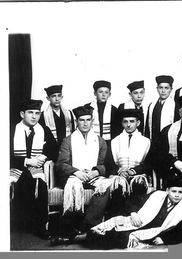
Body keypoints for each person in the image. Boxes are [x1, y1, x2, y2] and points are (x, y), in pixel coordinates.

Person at [86, 177, 182, 249]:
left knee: (120, 239)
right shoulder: (157, 196)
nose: (177, 195)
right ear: (167, 191)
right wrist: (133, 212)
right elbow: (134, 200)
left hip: (150, 233)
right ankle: (92, 235)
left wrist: (164, 239)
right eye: (174, 191)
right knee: (111, 229)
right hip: (137, 223)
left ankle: (94, 239)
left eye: (180, 192)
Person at [54, 105, 110, 237]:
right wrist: (76, 172)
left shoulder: (100, 141)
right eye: (81, 120)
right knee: (74, 186)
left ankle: (88, 224)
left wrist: (96, 172)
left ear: (92, 121)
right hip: (74, 176)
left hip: (92, 175)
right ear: (77, 121)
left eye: (88, 120)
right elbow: (61, 164)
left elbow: (103, 164)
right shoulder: (68, 141)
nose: (85, 123)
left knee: (105, 185)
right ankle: (72, 225)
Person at [10, 99, 58, 239]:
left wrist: (42, 157)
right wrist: (27, 161)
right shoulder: (12, 129)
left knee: (40, 185)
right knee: (15, 182)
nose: (34, 116)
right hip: (15, 167)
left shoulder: (43, 130)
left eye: (37, 113)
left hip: (36, 169)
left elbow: (54, 150)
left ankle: (40, 226)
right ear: (21, 114)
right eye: (30, 112)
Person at [39, 84, 75, 151]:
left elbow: (72, 131)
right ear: (48, 98)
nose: (57, 99)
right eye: (53, 96)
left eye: (59, 96)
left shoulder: (69, 113)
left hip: (67, 149)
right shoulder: (43, 115)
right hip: (51, 149)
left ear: (62, 97)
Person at [144, 75, 177, 142]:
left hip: (168, 141)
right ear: (157, 89)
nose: (163, 91)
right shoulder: (152, 105)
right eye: (160, 88)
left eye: (166, 88)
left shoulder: (175, 105)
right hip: (153, 141)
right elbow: (147, 126)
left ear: (171, 89)